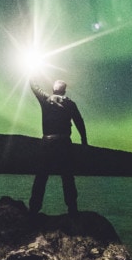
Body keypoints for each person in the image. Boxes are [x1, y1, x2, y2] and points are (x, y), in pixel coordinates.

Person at [28, 79, 88, 215]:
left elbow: (34, 86)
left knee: (41, 176)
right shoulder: (70, 103)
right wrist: (84, 140)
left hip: (47, 142)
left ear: (53, 89)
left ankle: (33, 210)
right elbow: (79, 122)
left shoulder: (46, 98)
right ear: (64, 90)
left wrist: (31, 74)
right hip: (64, 143)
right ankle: (72, 209)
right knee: (67, 176)